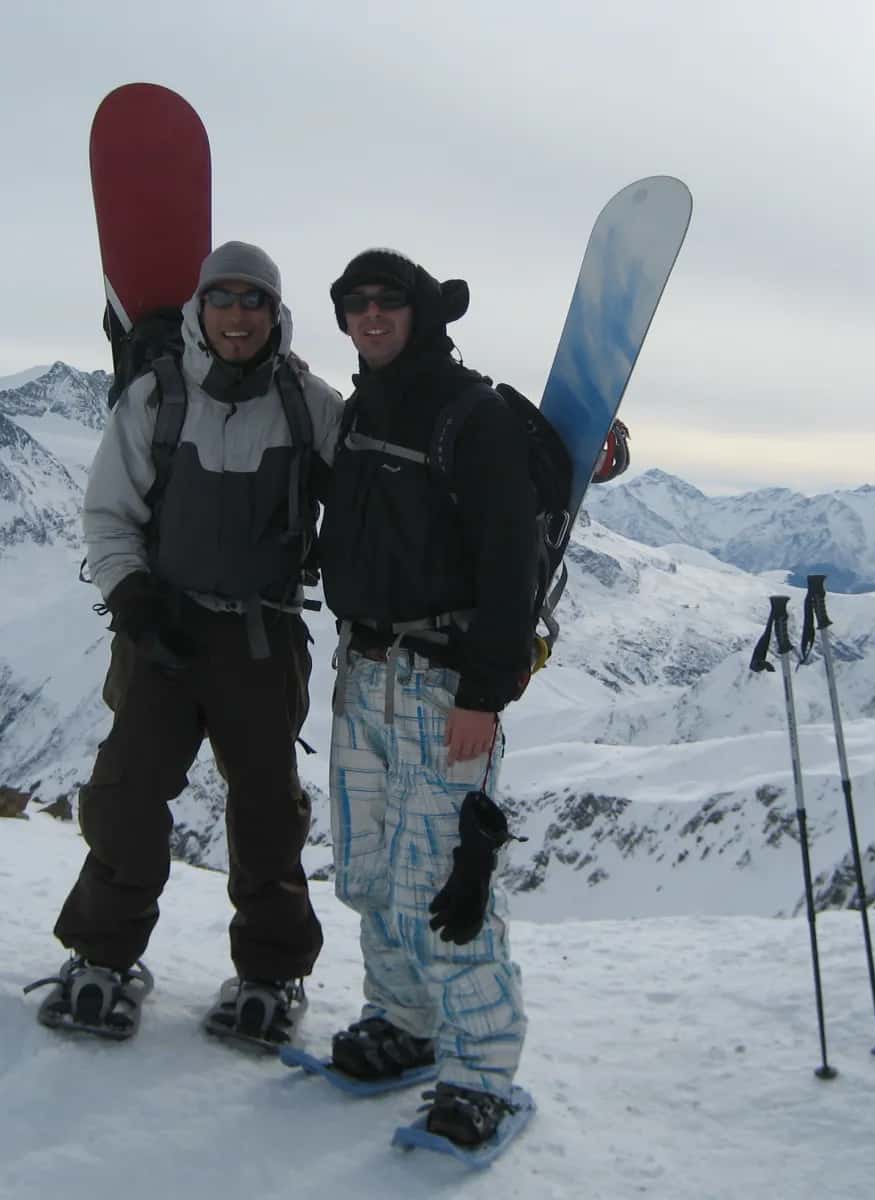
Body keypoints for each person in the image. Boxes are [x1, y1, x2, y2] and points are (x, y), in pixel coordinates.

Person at [31, 241, 344, 1043]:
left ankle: (270, 977)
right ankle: (103, 958)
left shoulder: (312, 405)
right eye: (223, 299)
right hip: (162, 635)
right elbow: (109, 514)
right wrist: (133, 598)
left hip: (262, 636)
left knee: (268, 811)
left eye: (254, 301)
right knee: (127, 797)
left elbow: (371, 506)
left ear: (276, 314)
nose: (238, 315)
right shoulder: (155, 398)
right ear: (199, 311)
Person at [316, 248, 538, 1146]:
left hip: (445, 685)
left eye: (388, 302)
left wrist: (485, 691)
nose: (371, 315)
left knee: (447, 885)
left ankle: (479, 1070)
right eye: (355, 303)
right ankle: (404, 1024)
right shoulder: (365, 407)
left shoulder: (469, 415)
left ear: (421, 313)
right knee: (369, 869)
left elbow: (509, 559)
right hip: (363, 673)